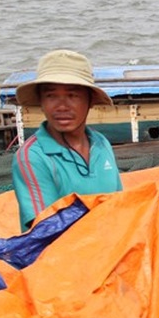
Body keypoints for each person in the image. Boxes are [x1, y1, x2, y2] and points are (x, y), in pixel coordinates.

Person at [11, 49, 122, 231]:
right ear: (41, 101)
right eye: (51, 96)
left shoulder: (101, 143)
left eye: (72, 95)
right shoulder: (32, 157)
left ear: (90, 100)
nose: (62, 106)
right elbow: (45, 231)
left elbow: (119, 206)